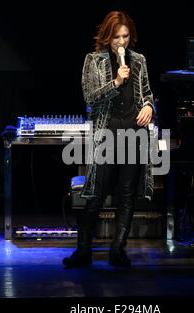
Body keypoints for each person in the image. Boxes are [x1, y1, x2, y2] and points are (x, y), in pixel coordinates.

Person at [63, 11, 155, 268]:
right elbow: (90, 97)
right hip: (108, 133)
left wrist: (149, 106)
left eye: (125, 36)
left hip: (134, 133)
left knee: (127, 195)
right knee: (97, 193)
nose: (121, 42)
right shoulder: (94, 60)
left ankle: (118, 250)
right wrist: (116, 81)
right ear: (107, 36)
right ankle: (83, 251)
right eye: (116, 37)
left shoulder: (139, 60)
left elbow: (147, 93)